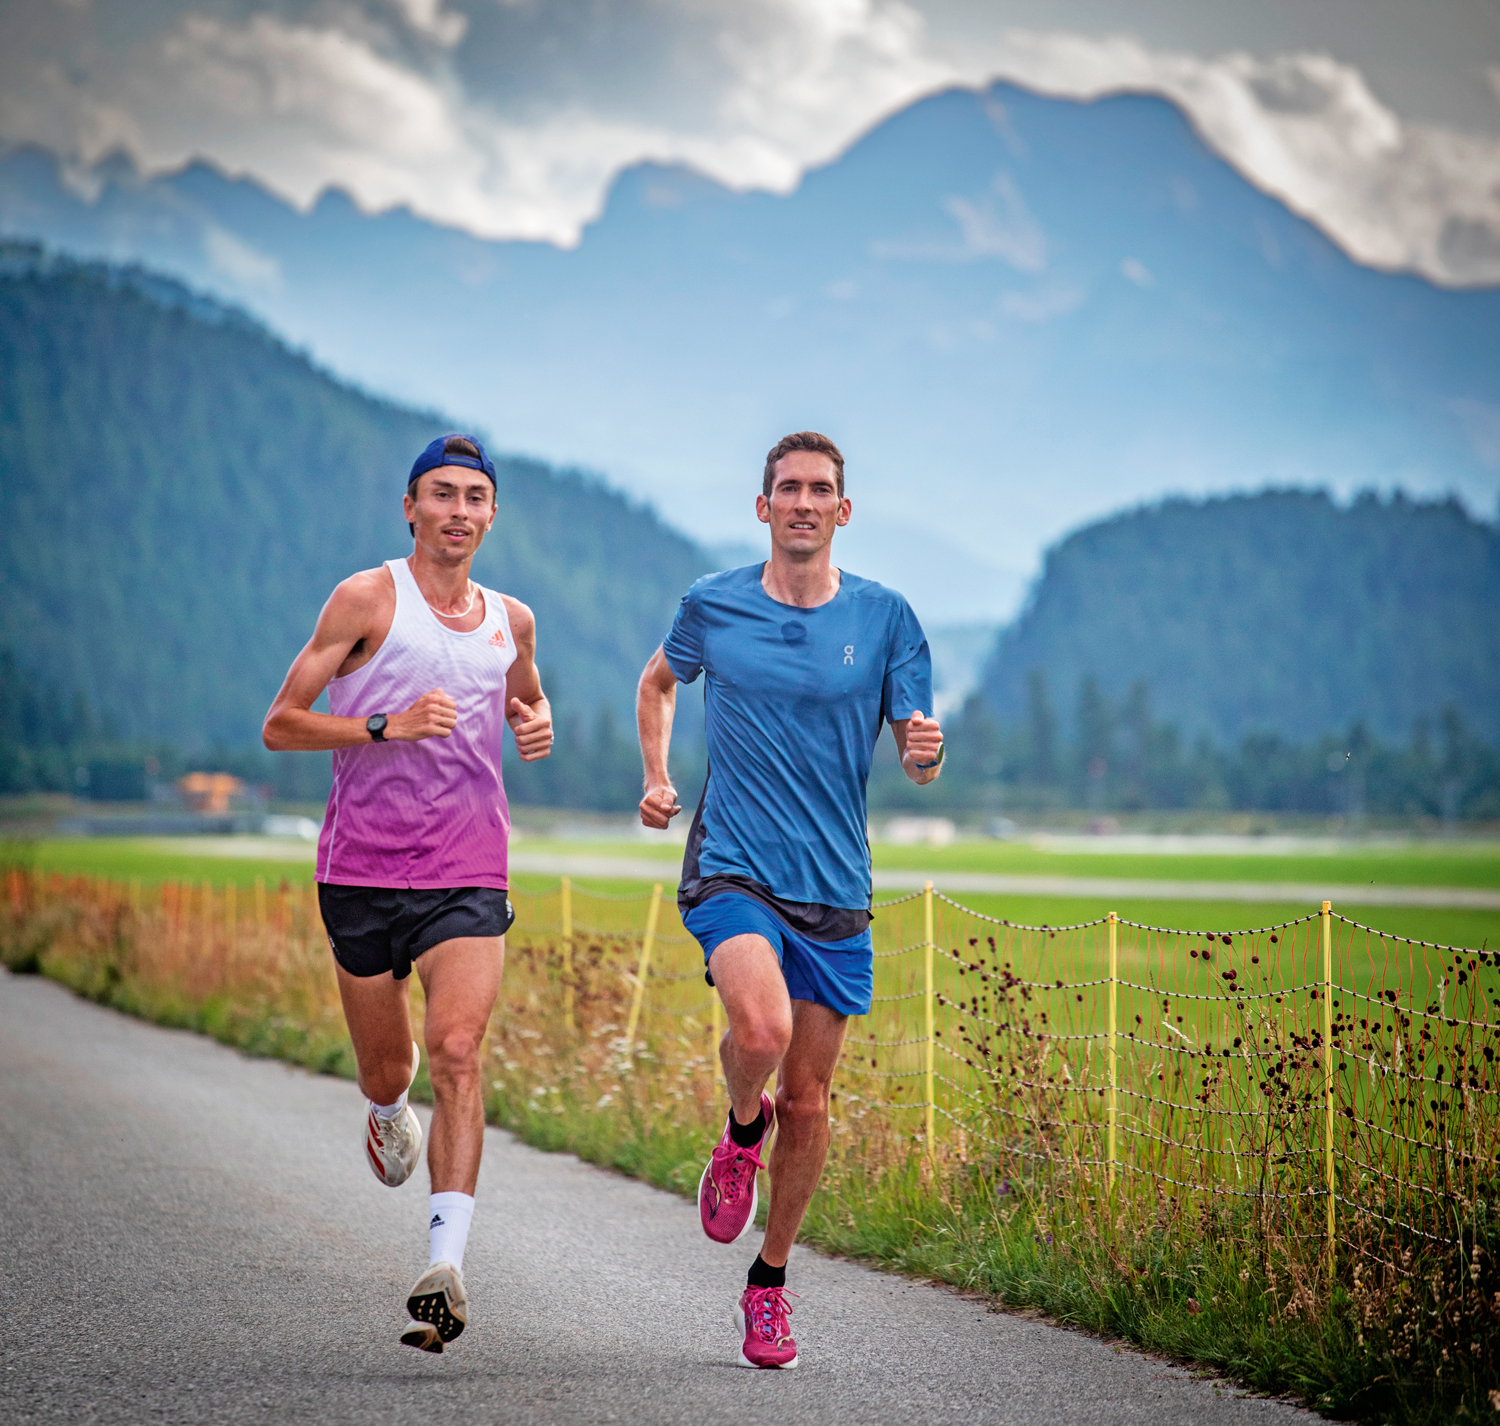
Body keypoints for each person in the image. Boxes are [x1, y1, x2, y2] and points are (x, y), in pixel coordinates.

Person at [636, 431, 944, 1369]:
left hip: (835, 888)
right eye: (787, 489)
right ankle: (738, 1132)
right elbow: (658, 683)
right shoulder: (713, 605)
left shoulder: (889, 618)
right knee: (760, 1035)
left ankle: (768, 1285)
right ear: (762, 506)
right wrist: (655, 774)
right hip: (732, 864)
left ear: (842, 511)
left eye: (820, 490)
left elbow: (916, 745)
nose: (803, 502)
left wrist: (925, 754)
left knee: (807, 1106)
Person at [263, 433, 552, 1353]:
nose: (459, 511)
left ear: (492, 513)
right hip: (360, 872)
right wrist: (383, 724)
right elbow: (280, 725)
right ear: (411, 508)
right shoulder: (365, 598)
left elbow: (524, 695)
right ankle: (387, 1111)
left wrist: (533, 721)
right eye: (442, 494)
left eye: (475, 496)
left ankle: (446, 1270)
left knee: (459, 1049)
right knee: (392, 1071)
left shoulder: (512, 618)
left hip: (470, 868)